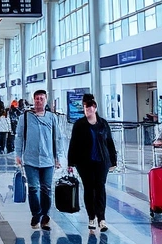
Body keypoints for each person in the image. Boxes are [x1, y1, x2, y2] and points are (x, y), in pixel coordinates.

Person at [67, 94, 117, 233]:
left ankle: (101, 218)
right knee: (89, 189)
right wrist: (70, 162)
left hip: (102, 161)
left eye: (90, 107)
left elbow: (109, 142)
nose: (88, 110)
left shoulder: (103, 123)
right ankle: (91, 217)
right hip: (85, 162)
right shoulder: (79, 125)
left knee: (100, 187)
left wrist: (113, 160)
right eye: (85, 108)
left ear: (95, 108)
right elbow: (73, 143)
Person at [15, 89, 63, 231]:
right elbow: (19, 136)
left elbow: (57, 138)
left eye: (41, 98)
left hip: (48, 160)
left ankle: (46, 217)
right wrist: (18, 154)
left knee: (46, 189)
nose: (38, 101)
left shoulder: (52, 117)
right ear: (33, 100)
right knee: (33, 188)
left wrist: (58, 157)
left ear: (46, 100)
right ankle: (36, 214)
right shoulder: (25, 117)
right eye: (36, 98)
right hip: (30, 160)